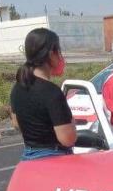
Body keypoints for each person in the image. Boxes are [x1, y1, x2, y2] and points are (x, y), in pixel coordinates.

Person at [10, 28, 76, 161]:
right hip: (53, 160)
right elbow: (67, 139)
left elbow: (16, 123)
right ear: (51, 54)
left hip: (28, 157)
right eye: (59, 51)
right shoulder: (52, 92)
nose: (61, 57)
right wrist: (72, 123)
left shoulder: (17, 87)